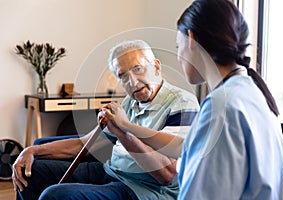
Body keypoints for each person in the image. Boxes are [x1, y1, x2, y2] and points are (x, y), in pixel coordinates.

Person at [102, 0, 283, 199]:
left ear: (191, 39)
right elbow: (184, 146)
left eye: (178, 46)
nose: (179, 57)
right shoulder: (247, 94)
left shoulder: (221, 107)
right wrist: (127, 127)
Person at [12, 40, 200, 200]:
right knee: (30, 171)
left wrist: (123, 131)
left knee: (55, 195)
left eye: (138, 69)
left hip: (144, 189)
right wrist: (31, 150)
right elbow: (85, 144)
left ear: (156, 66)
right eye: (123, 76)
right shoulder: (130, 101)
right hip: (110, 172)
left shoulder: (182, 103)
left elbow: (166, 174)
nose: (133, 82)